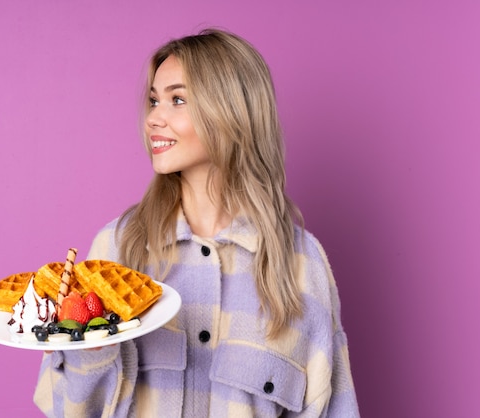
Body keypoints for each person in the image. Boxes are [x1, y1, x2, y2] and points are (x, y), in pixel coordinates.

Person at [34, 28, 359, 417]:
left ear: (231, 112)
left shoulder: (302, 264)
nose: (154, 117)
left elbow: (334, 409)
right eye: (154, 100)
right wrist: (90, 350)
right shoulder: (116, 251)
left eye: (177, 99)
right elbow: (63, 409)